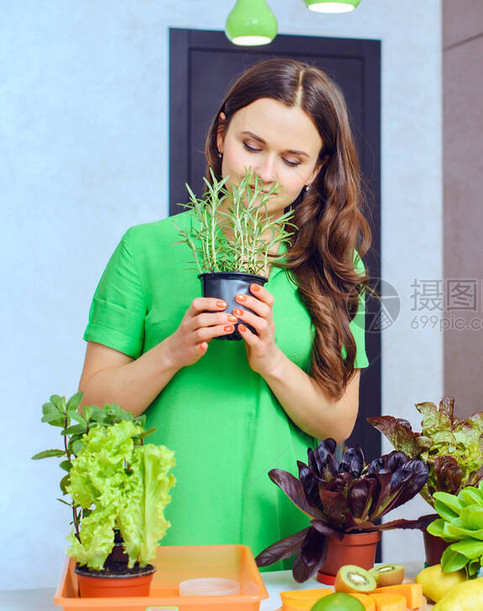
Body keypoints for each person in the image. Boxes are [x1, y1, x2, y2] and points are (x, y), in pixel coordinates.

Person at [78, 58, 371, 568]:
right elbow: (91, 408)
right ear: (221, 134)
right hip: (165, 531)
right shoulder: (147, 249)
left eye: (292, 160)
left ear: (316, 169)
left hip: (282, 532)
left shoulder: (336, 266)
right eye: (251, 146)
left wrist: (272, 361)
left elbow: (338, 424)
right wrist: (172, 351)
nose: (264, 173)